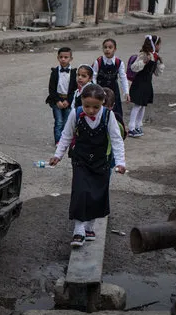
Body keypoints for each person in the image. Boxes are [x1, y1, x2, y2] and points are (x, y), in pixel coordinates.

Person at [49, 84, 126, 248]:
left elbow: (117, 140)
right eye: (87, 106)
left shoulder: (108, 116)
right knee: (80, 191)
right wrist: (58, 155)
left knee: (97, 194)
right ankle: (78, 230)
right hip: (81, 160)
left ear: (103, 103)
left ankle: (90, 227)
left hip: (101, 161)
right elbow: (66, 135)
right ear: (81, 101)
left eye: (96, 107)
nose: (91, 110)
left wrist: (120, 162)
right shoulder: (75, 113)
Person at [128, 34, 165, 138]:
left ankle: (139, 125)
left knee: (143, 104)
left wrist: (160, 63)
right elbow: (134, 67)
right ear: (154, 44)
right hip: (139, 83)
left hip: (147, 83)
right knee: (137, 105)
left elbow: (157, 73)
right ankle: (131, 127)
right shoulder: (143, 55)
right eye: (159, 44)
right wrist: (144, 61)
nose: (159, 47)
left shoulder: (156, 56)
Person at [46, 47, 78, 144]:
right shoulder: (55, 72)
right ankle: (58, 142)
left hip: (68, 101)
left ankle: (66, 141)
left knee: (67, 122)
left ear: (71, 59)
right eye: (61, 57)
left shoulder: (74, 73)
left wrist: (68, 101)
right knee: (59, 122)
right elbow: (51, 89)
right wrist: (57, 101)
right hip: (57, 100)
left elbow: (74, 89)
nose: (63, 59)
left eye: (66, 57)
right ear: (58, 58)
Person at [92, 38, 130, 115]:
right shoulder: (98, 62)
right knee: (100, 111)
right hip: (101, 89)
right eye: (105, 47)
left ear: (115, 49)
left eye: (110, 47)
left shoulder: (119, 63)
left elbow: (123, 77)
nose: (107, 50)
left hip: (114, 90)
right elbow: (93, 76)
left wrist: (126, 92)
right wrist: (96, 90)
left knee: (115, 112)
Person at [102, 87, 127, 176]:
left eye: (107, 108)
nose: (104, 111)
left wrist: (120, 161)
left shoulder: (116, 118)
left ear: (112, 106)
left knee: (106, 173)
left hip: (110, 152)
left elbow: (121, 136)